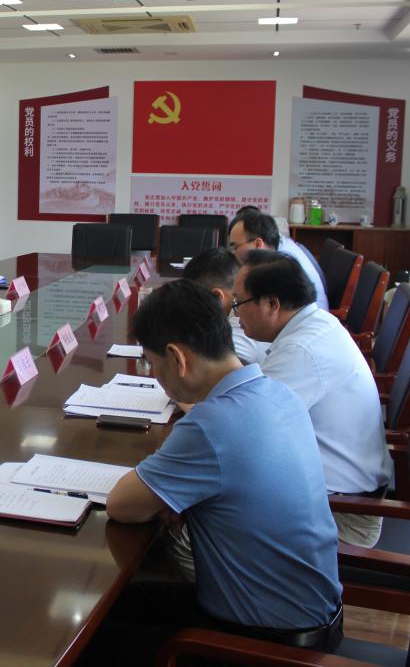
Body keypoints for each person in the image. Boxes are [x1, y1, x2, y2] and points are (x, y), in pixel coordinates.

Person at [81, 280, 342, 663]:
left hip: (263, 643)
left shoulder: (210, 426)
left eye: (152, 364)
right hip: (312, 616)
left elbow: (122, 505)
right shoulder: (277, 393)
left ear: (177, 358)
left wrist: (171, 498)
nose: (154, 376)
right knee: (133, 596)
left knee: (93, 629)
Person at [234, 250, 391, 547]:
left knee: (192, 529)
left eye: (238, 304)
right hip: (335, 496)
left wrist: (189, 400)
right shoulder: (314, 324)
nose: (235, 314)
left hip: (342, 515)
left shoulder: (303, 350)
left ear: (272, 304)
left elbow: (242, 430)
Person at [182, 247, 270, 364]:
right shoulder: (242, 307)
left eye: (194, 302)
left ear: (217, 296)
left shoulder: (243, 318)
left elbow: (215, 361)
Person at [229, 209, 329, 310]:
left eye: (235, 247)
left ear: (258, 244)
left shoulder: (283, 262)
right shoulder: (278, 247)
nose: (233, 252)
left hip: (309, 314)